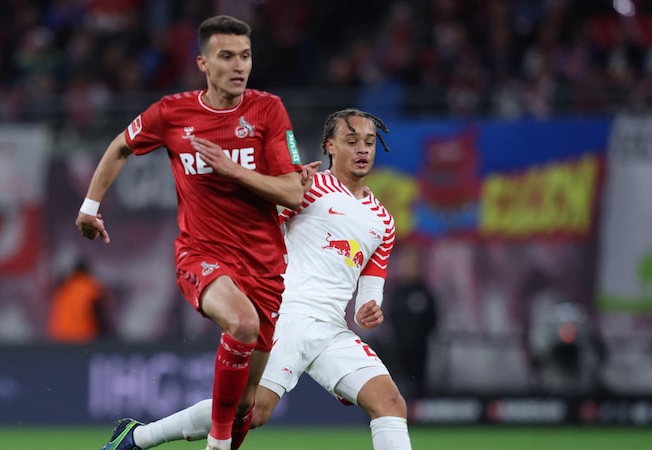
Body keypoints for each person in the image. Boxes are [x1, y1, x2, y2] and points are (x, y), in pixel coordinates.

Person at [101, 108, 412, 450]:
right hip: (288, 314)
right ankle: (138, 437)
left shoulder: (382, 220)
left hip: (331, 328)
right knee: (252, 411)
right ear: (330, 146)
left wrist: (370, 306)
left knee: (390, 403)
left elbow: (371, 281)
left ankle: (136, 436)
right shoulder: (308, 187)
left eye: (368, 142)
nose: (362, 149)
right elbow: (254, 221)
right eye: (351, 141)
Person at [78, 15, 312, 450]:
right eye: (226, 56)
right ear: (203, 63)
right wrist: (91, 206)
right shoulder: (172, 112)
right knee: (241, 323)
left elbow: (291, 193)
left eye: (245, 56)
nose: (239, 66)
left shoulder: (268, 109)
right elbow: (121, 146)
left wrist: (231, 168)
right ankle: (217, 444)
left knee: (248, 407)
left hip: (264, 266)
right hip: (201, 254)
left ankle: (136, 439)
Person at [387, 244, 437, 398]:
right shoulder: (397, 292)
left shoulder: (424, 291)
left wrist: (420, 336)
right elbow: (391, 317)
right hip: (399, 348)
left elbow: (433, 318)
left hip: (420, 348)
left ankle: (420, 410)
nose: (408, 268)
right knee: (399, 381)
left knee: (419, 382)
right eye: (406, 263)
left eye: (412, 263)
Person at [46, 256, 112, 343]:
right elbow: (99, 313)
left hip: (59, 338)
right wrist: (107, 335)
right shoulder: (90, 286)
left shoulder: (65, 286)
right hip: (83, 338)